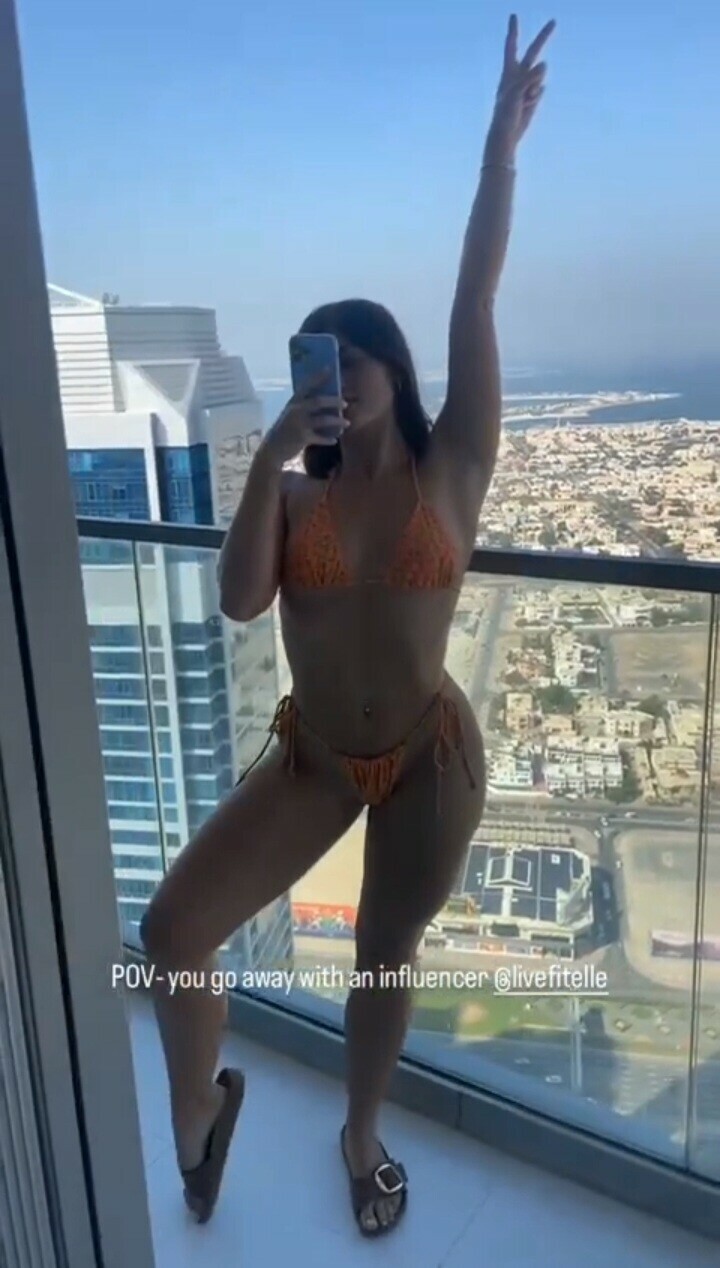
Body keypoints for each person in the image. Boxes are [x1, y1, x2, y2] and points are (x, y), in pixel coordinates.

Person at [140, 13, 555, 1239]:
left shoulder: (452, 466)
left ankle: (360, 1134)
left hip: (431, 752)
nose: (344, 365)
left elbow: (476, 290)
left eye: (360, 346)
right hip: (316, 754)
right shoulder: (294, 492)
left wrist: (498, 150)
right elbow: (239, 600)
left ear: (394, 363)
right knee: (171, 928)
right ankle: (200, 1110)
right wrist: (271, 451)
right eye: (321, 354)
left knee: (382, 949)